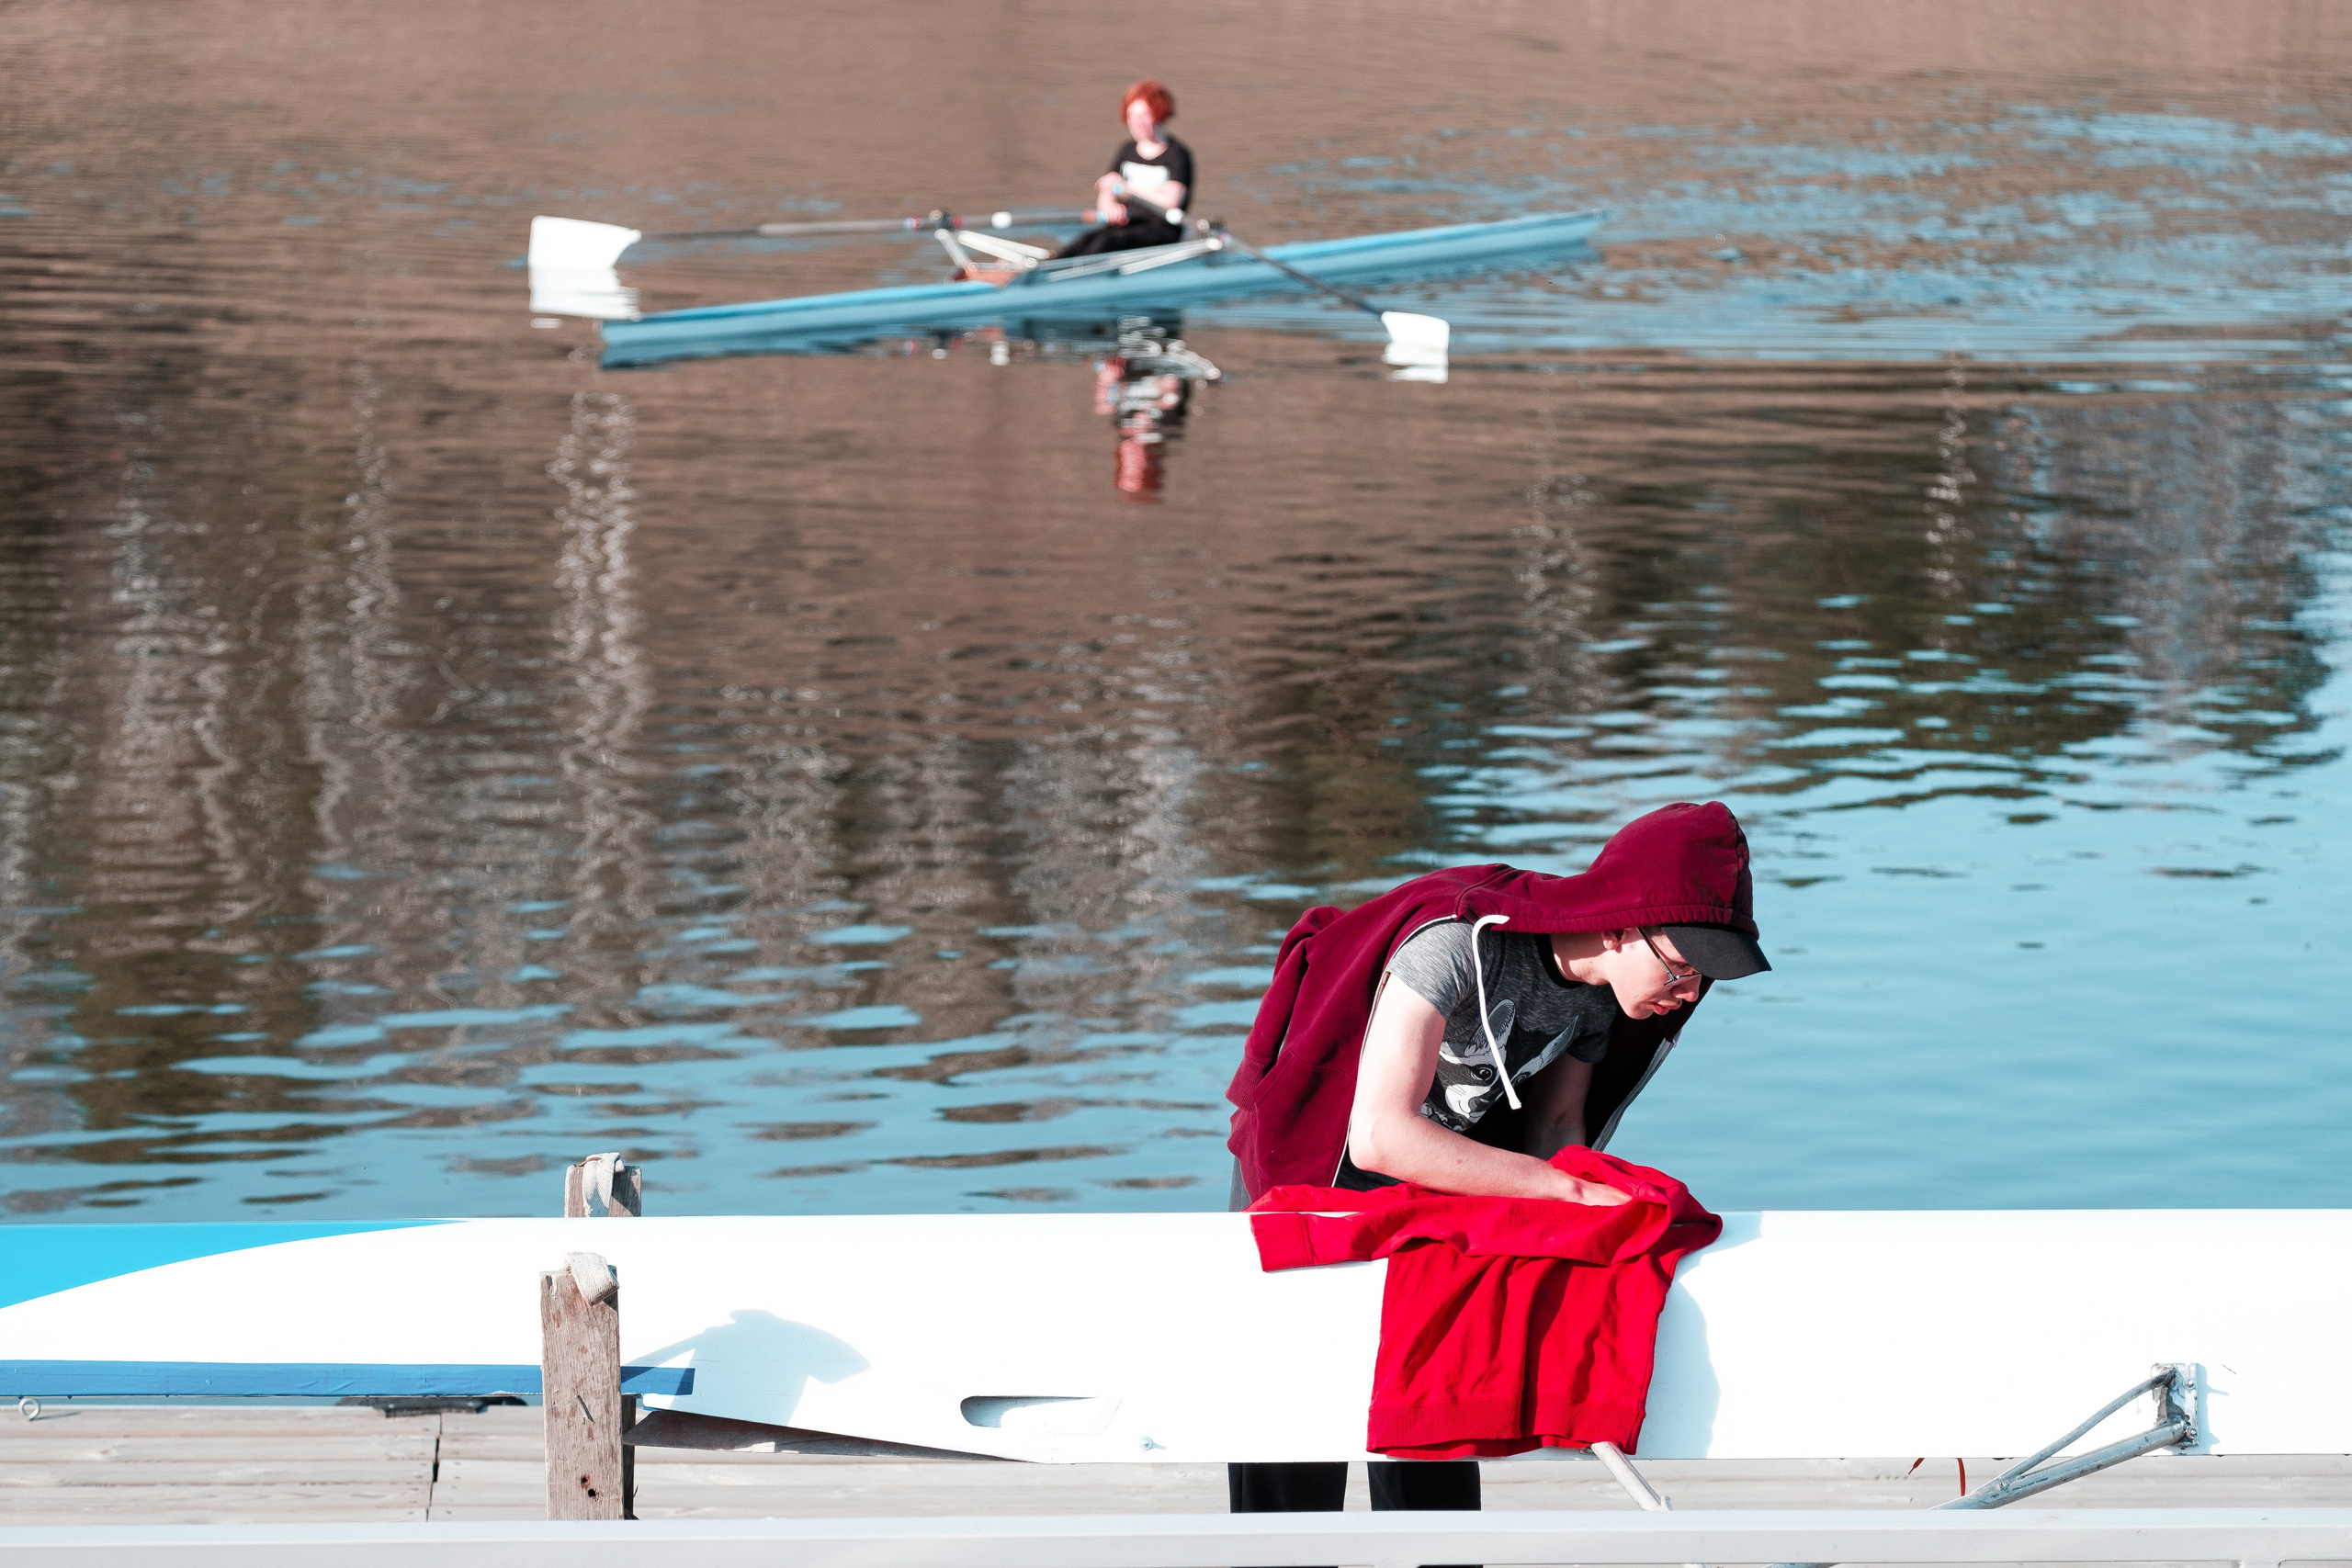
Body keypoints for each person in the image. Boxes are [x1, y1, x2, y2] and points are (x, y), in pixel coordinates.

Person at [1221, 801, 1770, 1527]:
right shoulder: (1453, 944)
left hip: (1436, 1195)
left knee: (1431, 1429)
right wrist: (1566, 1190)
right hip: (1316, 1175)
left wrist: (1576, 1217)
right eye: (1685, 965)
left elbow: (1553, 1123)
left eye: (1709, 977)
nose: (1692, 991)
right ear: (1619, 923)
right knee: (1294, 1445)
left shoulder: (1603, 997)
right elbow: (1379, 1136)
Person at [1056, 79, 1192, 258]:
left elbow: (1170, 202)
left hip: (1160, 230)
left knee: (1107, 242)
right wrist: (1110, 207)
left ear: (1160, 114)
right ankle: (1046, 266)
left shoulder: (1177, 154)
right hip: (1128, 224)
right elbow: (1106, 193)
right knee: (1084, 241)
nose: (1137, 123)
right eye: (1132, 116)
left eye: (1144, 115)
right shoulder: (1127, 150)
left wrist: (1127, 189)